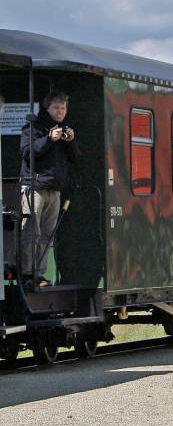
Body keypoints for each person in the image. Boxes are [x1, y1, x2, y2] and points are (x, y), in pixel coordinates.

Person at [20, 90, 80, 287]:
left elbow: (75, 157)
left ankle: (39, 274)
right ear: (47, 109)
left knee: (47, 235)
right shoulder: (33, 128)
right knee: (31, 232)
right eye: (56, 108)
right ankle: (27, 274)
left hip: (55, 190)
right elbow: (27, 153)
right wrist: (48, 139)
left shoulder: (64, 130)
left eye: (63, 108)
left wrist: (71, 141)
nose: (60, 111)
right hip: (35, 187)